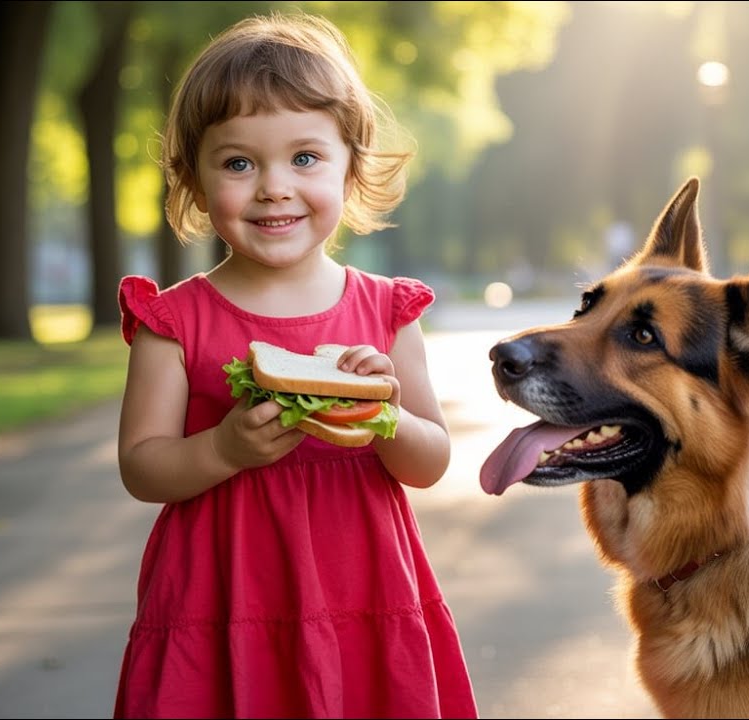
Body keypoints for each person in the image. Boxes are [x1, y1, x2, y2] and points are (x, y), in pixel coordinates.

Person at [112, 12, 477, 719]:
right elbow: (142, 465)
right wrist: (222, 447)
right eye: (238, 162)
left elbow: (429, 462)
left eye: (305, 158)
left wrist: (384, 414)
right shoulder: (174, 321)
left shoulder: (386, 311)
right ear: (194, 177)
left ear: (352, 165)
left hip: (364, 591)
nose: (274, 186)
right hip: (221, 597)